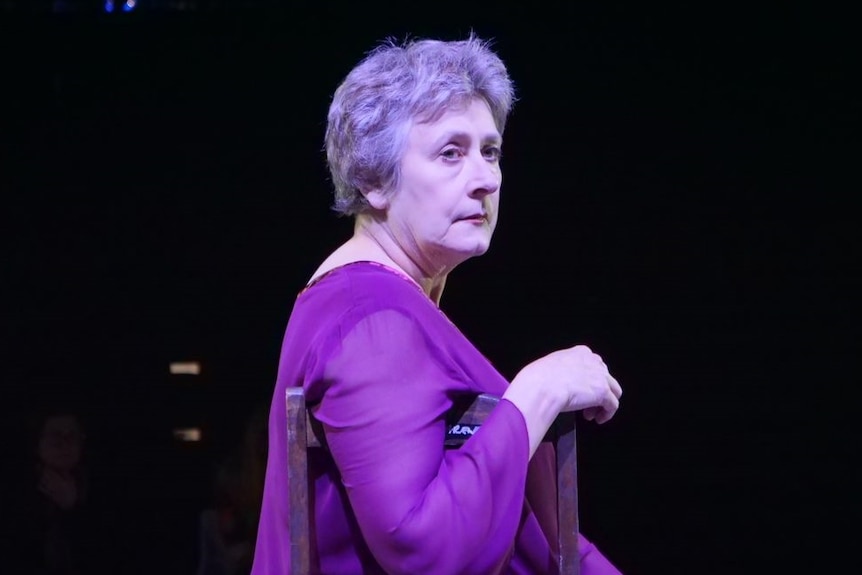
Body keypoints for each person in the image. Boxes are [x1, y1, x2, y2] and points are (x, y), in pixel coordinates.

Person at [251, 34, 624, 574]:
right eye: (451, 153)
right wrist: (539, 392)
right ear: (374, 180)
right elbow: (424, 549)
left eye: (490, 151)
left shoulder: (384, 307)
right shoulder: (373, 319)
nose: (485, 179)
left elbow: (534, 538)